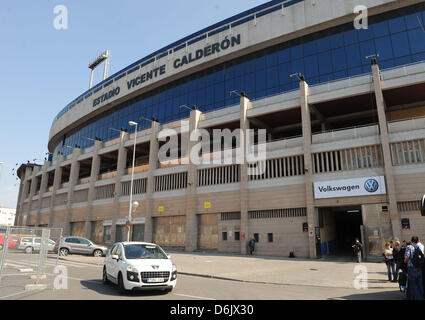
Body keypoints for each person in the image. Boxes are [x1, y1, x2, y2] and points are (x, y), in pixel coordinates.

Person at [404, 236, 424, 300]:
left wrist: (405, 261)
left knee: (414, 285)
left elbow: (407, 257)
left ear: (411, 240)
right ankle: (421, 297)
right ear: (417, 240)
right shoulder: (418, 247)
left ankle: (418, 298)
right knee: (420, 285)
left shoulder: (409, 247)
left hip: (412, 268)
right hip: (419, 268)